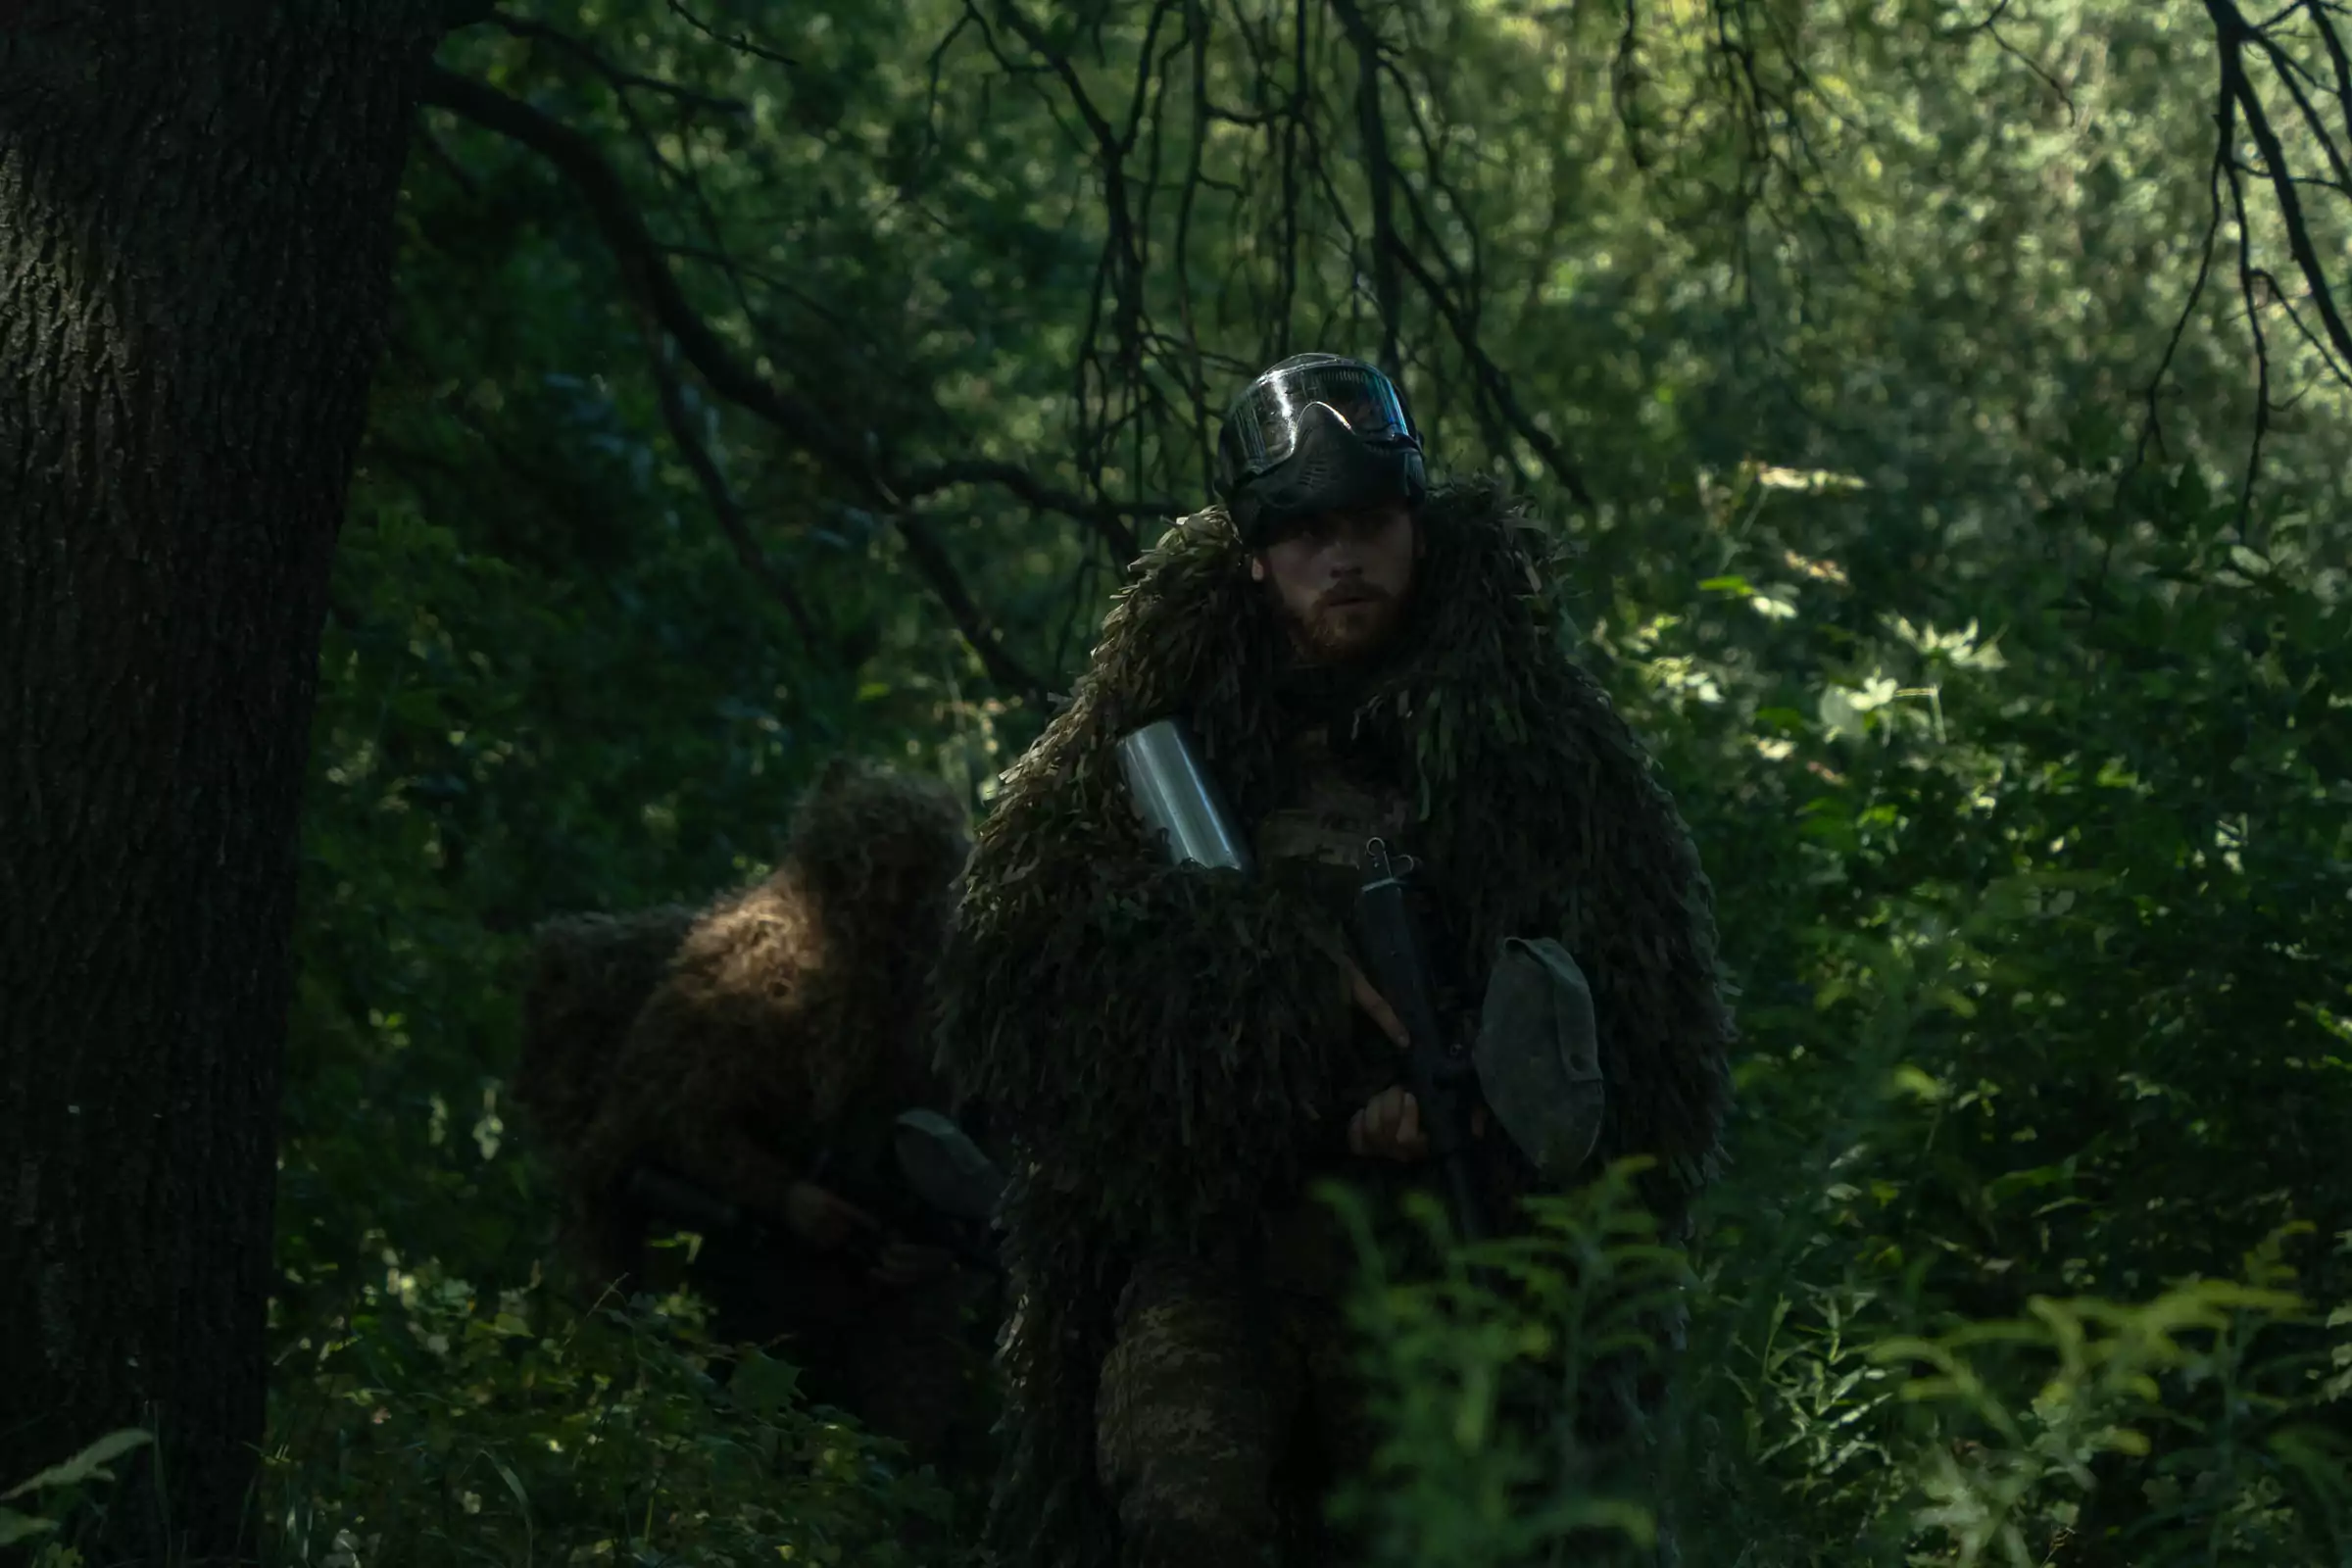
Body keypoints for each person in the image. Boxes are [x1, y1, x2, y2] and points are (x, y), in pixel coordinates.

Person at [934, 354, 1736, 1566]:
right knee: (1179, 1512)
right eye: (1306, 532)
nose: (1341, 558)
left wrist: (1466, 1100)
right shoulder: (1156, 738)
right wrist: (1271, 1022)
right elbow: (1024, 985)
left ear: (1412, 524)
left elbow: (1636, 1023)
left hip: (1445, 1256)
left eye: (1365, 523)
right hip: (1221, 1244)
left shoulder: (1533, 753)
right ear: (1256, 554)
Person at [515, 756, 993, 1463]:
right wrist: (786, 1196)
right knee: (743, 1443)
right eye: (881, 887)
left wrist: (926, 1244)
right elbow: (662, 1121)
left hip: (879, 1292)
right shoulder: (747, 967)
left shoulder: (946, 997)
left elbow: (977, 1143)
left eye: (913, 889)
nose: (895, 908)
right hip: (742, 1261)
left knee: (909, 1454)